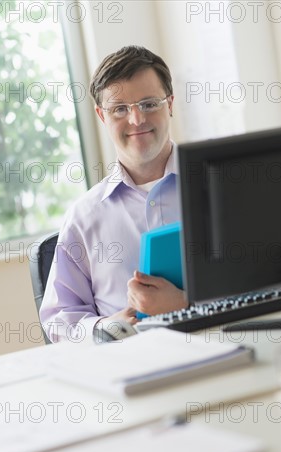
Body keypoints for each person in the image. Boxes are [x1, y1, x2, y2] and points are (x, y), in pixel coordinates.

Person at [40, 45, 188, 343]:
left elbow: (264, 285)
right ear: (101, 116)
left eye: (149, 104)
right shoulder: (83, 217)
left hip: (224, 357)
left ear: (169, 104)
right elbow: (58, 320)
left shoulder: (217, 187)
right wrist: (107, 327)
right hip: (126, 371)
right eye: (120, 109)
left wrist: (186, 303)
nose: (136, 120)